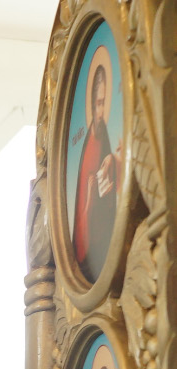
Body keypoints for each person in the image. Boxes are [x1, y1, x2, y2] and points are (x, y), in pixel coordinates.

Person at [73, 60, 120, 283]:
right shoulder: (86, 148)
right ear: (91, 104)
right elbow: (81, 211)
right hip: (87, 256)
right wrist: (91, 199)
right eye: (98, 104)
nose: (101, 112)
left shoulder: (106, 138)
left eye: (104, 104)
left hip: (106, 246)